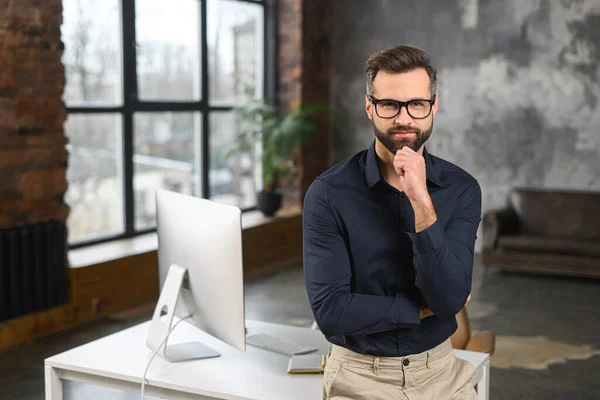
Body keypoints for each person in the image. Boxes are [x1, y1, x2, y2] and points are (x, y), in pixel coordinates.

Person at [303, 44, 482, 400]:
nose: (404, 118)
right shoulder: (328, 193)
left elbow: (448, 301)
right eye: (389, 105)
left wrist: (421, 201)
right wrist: (419, 309)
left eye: (417, 104)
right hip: (357, 375)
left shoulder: (462, 189)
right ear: (370, 107)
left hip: (442, 373)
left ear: (433, 107)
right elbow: (332, 312)